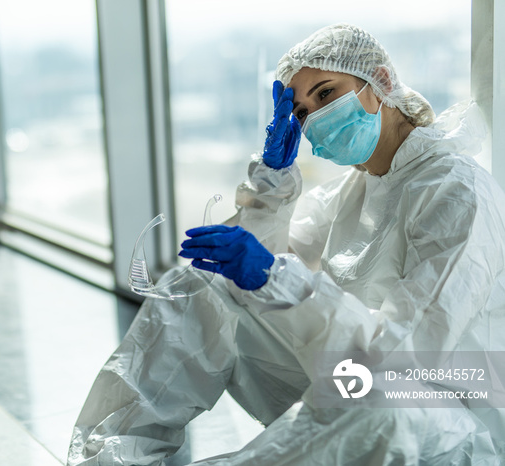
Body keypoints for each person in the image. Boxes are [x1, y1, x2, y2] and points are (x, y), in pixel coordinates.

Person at [68, 23, 505, 465]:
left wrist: (278, 279)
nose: (313, 118)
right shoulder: (354, 191)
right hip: (358, 384)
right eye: (299, 112)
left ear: (381, 83)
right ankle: (110, 457)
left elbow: (404, 357)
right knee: (205, 283)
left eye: (325, 94)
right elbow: (258, 275)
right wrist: (271, 181)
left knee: (377, 400)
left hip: (446, 422)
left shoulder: (456, 191)